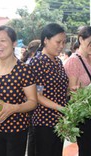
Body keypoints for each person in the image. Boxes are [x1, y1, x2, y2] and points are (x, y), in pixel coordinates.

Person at [0, 25, 37, 156]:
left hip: (17, 129)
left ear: (14, 43)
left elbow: (33, 101)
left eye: (3, 40)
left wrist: (13, 108)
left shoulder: (24, 70)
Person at [29, 23, 68, 156]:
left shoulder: (58, 62)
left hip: (59, 121)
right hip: (44, 122)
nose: (61, 46)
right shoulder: (38, 62)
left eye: (64, 42)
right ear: (46, 40)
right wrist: (60, 108)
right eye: (58, 42)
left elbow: (61, 87)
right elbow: (37, 95)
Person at [64, 26, 91, 156]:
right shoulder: (73, 61)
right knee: (86, 149)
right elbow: (72, 92)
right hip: (82, 113)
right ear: (81, 39)